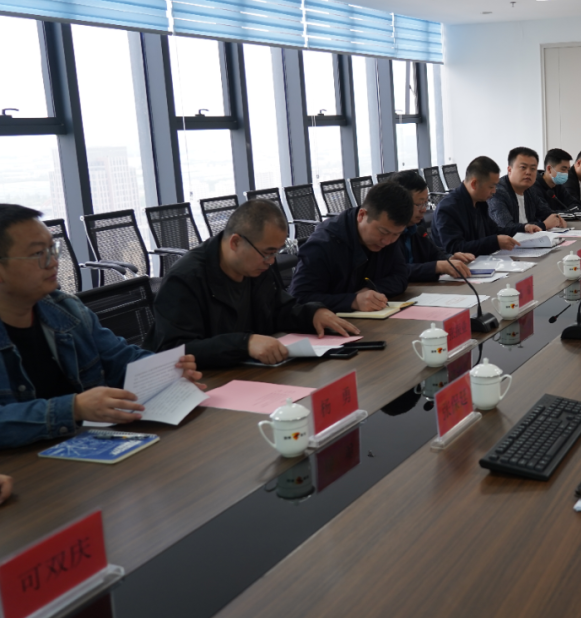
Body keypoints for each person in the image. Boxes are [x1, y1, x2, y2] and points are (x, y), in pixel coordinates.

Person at [0, 205, 202, 448]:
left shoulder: (66, 309)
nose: (53, 262)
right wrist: (73, 408)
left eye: (53, 250)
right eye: (37, 254)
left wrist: (167, 371)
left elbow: (120, 358)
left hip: (86, 448)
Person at [147, 199, 357, 368]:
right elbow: (174, 350)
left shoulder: (257, 266)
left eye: (276, 252)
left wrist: (312, 314)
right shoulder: (185, 279)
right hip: (202, 383)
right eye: (267, 253)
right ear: (235, 242)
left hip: (250, 372)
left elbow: (279, 311)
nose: (271, 261)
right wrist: (244, 343)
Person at [290, 181, 413, 313]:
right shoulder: (323, 244)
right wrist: (352, 301)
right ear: (361, 215)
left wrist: (371, 289)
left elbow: (400, 276)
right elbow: (299, 298)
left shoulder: (388, 237)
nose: (387, 241)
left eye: (396, 234)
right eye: (383, 232)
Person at [389, 170, 474, 283]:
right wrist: (437, 267)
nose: (424, 209)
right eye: (419, 204)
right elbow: (395, 271)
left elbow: (432, 252)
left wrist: (449, 258)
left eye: (426, 203)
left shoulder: (417, 225)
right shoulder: (388, 233)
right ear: (400, 203)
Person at [431, 156, 521, 256]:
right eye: (491, 186)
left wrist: (523, 228)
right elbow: (456, 249)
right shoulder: (448, 209)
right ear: (474, 184)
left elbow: (494, 231)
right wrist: (495, 242)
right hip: (461, 264)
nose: (494, 191)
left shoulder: (480, 203)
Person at [489, 147, 566, 233]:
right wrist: (543, 225)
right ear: (509, 170)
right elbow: (506, 227)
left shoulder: (530, 190)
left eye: (533, 168)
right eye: (523, 167)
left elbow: (546, 212)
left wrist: (557, 218)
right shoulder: (497, 192)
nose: (528, 172)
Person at [530, 148, 578, 215]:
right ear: (549, 169)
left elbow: (575, 204)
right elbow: (545, 213)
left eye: (568, 170)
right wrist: (569, 212)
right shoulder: (534, 187)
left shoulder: (558, 185)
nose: (566, 173)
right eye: (563, 169)